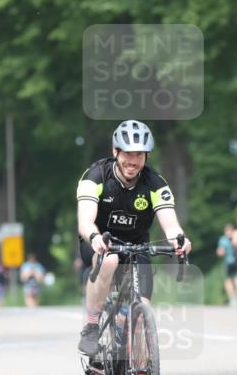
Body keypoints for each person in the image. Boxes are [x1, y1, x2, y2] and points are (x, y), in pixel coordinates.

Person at [76, 119, 191, 357]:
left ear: (146, 156)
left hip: (137, 245)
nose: (133, 160)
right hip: (100, 241)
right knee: (109, 260)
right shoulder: (96, 175)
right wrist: (95, 236)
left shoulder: (155, 183)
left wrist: (180, 240)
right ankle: (91, 326)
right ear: (115, 151)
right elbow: (85, 221)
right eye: (127, 153)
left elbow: (171, 225)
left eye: (139, 154)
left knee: (142, 312)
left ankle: (141, 374)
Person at [216, 223, 237, 306]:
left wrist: (220, 252)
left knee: (228, 281)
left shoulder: (223, 239)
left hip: (228, 262)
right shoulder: (236, 237)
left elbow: (220, 252)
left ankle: (233, 299)